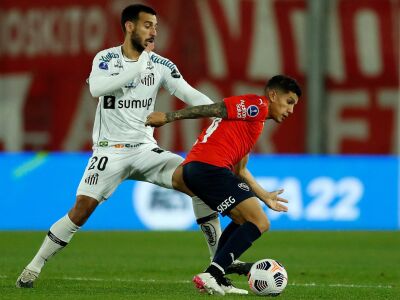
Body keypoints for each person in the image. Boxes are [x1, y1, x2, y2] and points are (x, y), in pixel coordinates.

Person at [15, 4, 248, 292]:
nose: (154, 31)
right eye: (148, 25)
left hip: (145, 149)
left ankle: (216, 266)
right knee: (81, 211)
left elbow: (188, 93)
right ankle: (33, 267)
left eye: (155, 26)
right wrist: (138, 66)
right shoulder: (107, 58)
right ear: (129, 26)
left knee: (197, 179)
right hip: (108, 152)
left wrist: (219, 111)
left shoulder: (162, 66)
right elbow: (97, 89)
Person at [145, 75, 301, 295]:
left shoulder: (253, 124)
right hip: (209, 168)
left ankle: (218, 274)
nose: (291, 110)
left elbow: (241, 171)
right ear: (273, 95)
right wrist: (169, 117)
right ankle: (213, 274)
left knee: (242, 219)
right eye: (289, 102)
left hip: (203, 170)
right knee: (260, 222)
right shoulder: (256, 105)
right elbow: (214, 109)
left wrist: (264, 196)